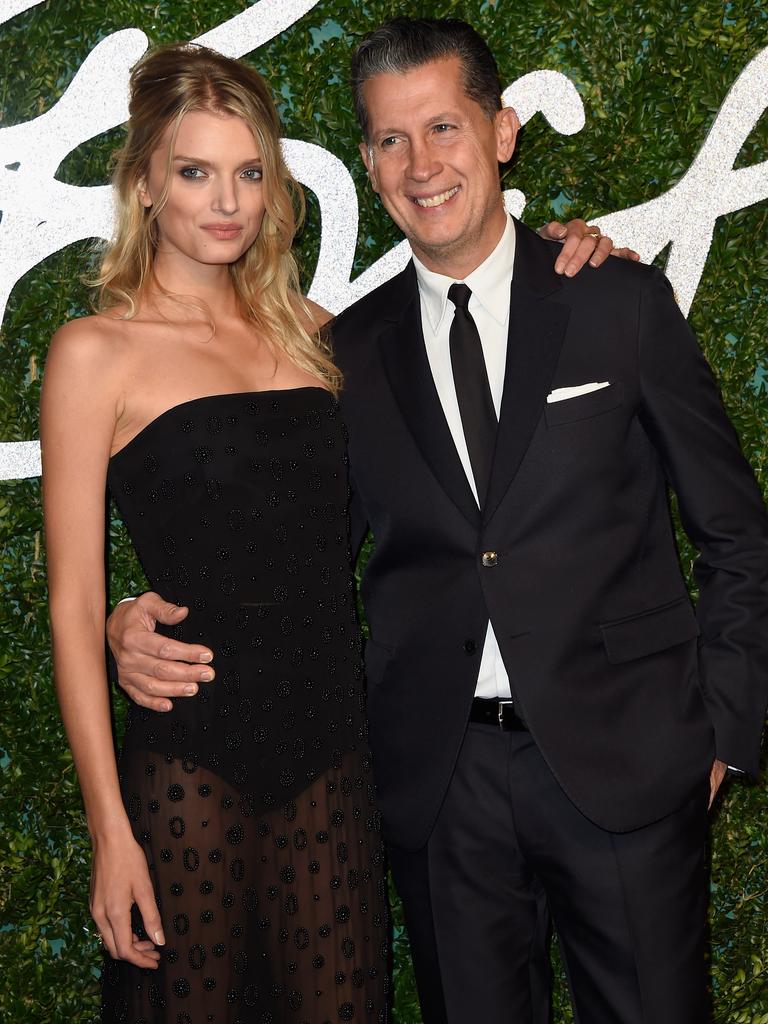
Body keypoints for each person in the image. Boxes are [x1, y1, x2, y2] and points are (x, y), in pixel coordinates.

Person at [97, 22, 694, 1024]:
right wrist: (127, 617)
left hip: (611, 771)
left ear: (502, 133)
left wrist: (721, 729)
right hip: (430, 785)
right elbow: (254, 521)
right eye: (388, 140)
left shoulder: (596, 298)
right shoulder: (351, 345)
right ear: (367, 161)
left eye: (444, 128)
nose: (421, 165)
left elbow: (732, 530)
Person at [42, 42, 393, 1023]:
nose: (226, 199)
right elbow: (71, 603)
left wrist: (582, 254)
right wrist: (110, 832)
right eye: (195, 171)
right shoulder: (93, 352)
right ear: (146, 180)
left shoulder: (319, 336)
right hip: (187, 766)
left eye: (249, 172)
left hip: (331, 757)